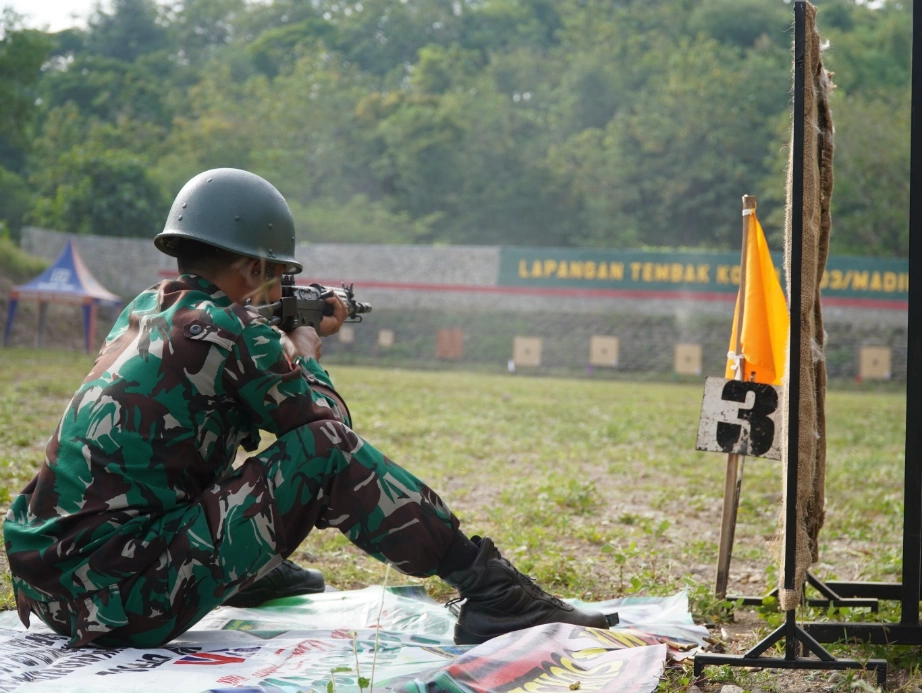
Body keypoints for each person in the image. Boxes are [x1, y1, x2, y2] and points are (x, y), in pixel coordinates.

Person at [3, 168, 609, 649]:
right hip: (117, 601)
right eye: (276, 277)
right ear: (255, 268)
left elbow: (194, 427)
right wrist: (308, 348)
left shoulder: (143, 311)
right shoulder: (232, 330)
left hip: (51, 584)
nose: (276, 290)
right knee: (324, 452)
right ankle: (492, 590)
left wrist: (278, 341)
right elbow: (329, 438)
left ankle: (250, 568)